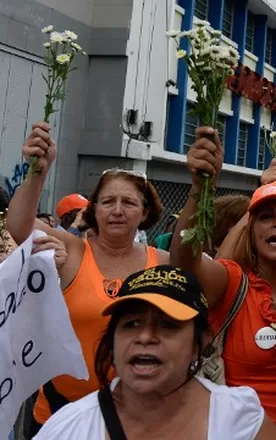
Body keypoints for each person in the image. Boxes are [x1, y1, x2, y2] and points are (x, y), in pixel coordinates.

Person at [7, 122, 168, 432]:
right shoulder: (74, 250)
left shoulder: (162, 263)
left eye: (129, 202)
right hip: (58, 413)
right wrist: (39, 171)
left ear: (145, 212)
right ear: (94, 210)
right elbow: (17, 228)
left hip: (134, 418)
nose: (117, 210)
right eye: (107, 202)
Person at [173, 128, 276, 436]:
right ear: (251, 229)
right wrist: (201, 187)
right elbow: (184, 266)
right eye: (266, 216)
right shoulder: (232, 282)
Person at [35, 266, 276, 439]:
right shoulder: (70, 428)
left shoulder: (237, 417)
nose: (145, 337)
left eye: (168, 325)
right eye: (131, 323)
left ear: (200, 342)